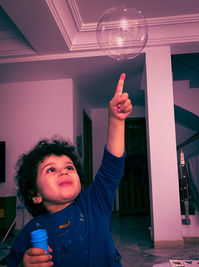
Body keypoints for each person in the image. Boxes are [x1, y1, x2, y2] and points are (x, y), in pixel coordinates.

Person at [7, 73, 132, 267]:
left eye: (68, 167)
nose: (63, 172)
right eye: (50, 170)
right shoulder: (31, 232)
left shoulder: (94, 203)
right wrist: (25, 264)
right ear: (35, 194)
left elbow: (112, 167)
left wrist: (116, 120)